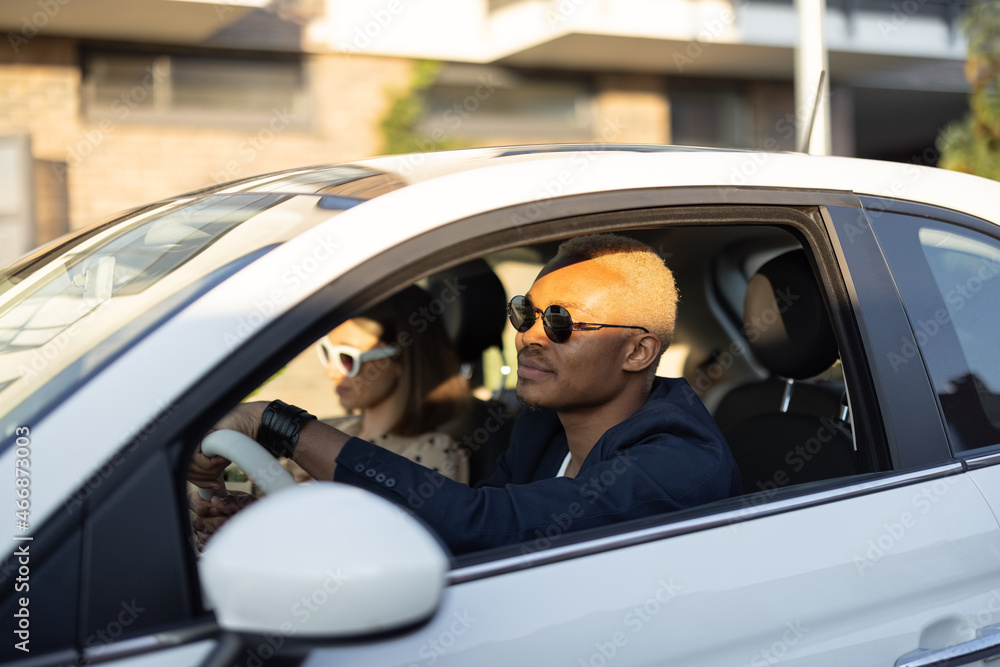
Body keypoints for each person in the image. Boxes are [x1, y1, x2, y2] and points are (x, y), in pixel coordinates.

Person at [190, 233, 741, 555]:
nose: (528, 336)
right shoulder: (541, 429)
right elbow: (443, 532)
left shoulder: (677, 461)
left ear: (638, 352)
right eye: (524, 313)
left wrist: (277, 423)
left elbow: (481, 522)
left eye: (560, 322)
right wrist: (279, 525)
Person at [312, 285, 470, 484]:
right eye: (327, 352)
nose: (331, 373)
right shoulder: (333, 429)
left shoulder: (432, 453)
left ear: (402, 361)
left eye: (348, 358)